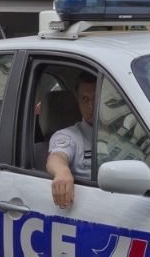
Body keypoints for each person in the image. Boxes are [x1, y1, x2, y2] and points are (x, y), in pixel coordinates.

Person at [47, 71, 97, 209]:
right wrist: (62, 172)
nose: (91, 106)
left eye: (96, 98)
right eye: (85, 99)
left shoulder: (125, 135)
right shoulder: (68, 136)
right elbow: (57, 156)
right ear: (78, 101)